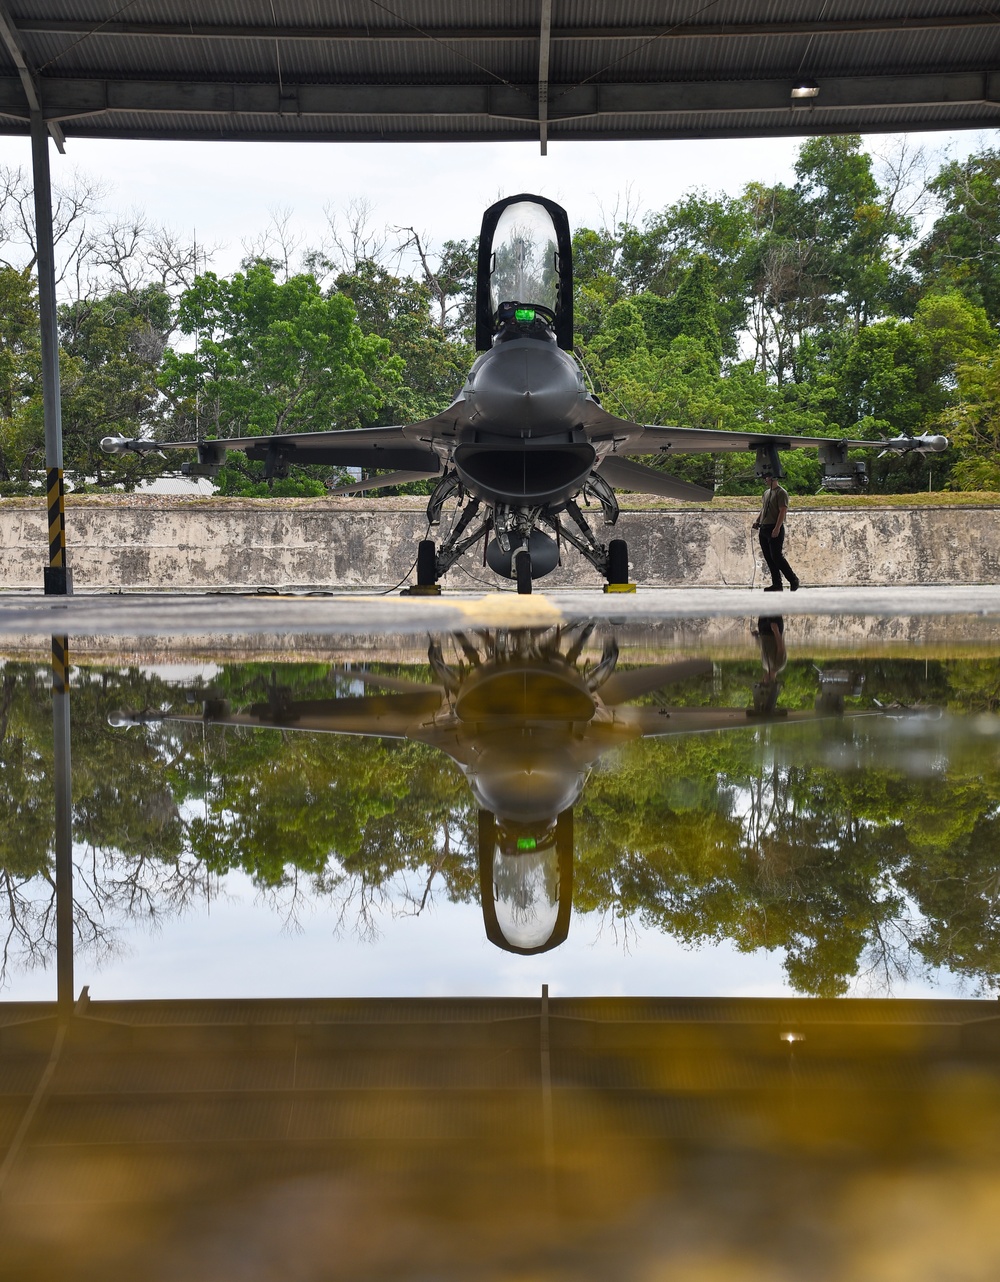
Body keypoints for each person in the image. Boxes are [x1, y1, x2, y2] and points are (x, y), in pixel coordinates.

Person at [751, 470, 799, 592]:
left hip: (774, 527)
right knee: (768, 557)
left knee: (776, 556)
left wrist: (777, 527)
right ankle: (777, 584)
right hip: (764, 528)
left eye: (766, 478)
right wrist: (758, 521)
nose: (765, 480)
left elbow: (782, 511)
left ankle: (793, 579)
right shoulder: (766, 493)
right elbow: (764, 509)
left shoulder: (781, 493)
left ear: (772, 478)